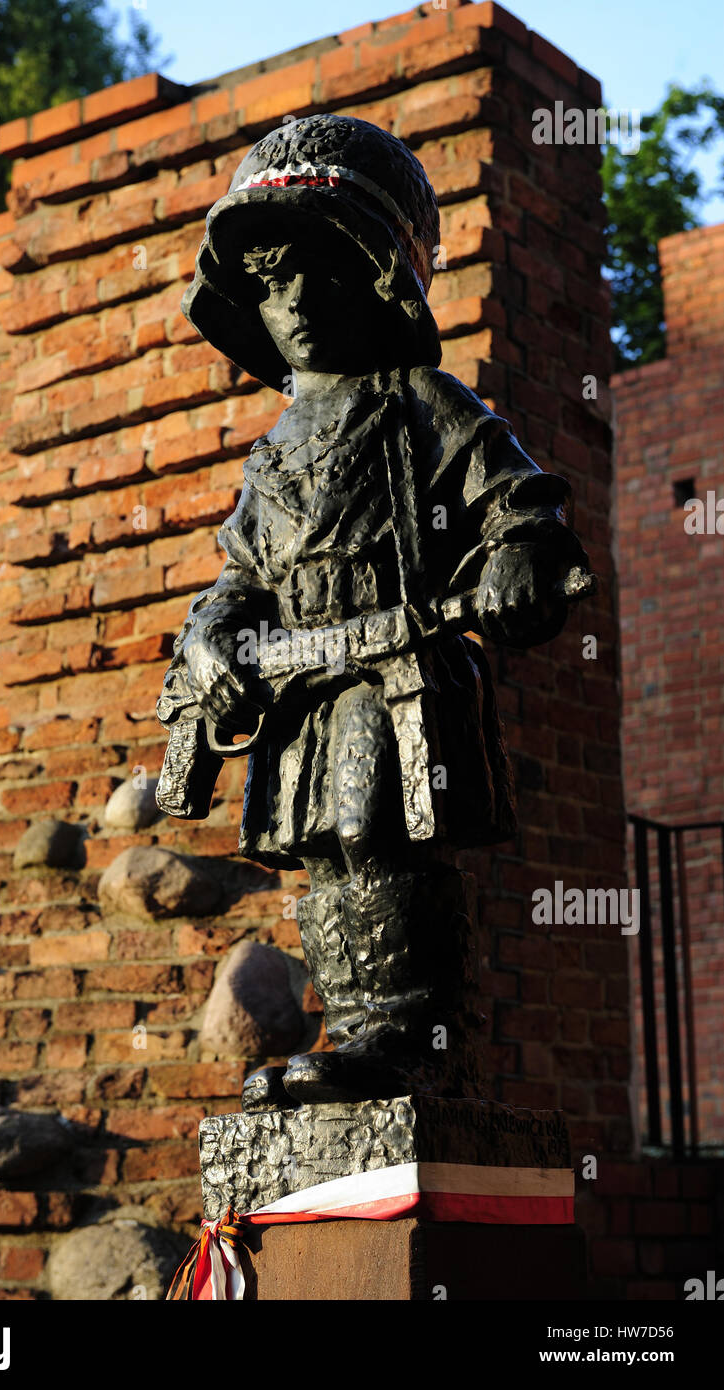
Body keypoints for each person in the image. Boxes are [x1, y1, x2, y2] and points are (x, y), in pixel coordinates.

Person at [156, 114, 592, 1110]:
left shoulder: (421, 403)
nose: (295, 299)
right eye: (269, 281)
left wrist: (520, 561)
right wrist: (214, 635)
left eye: (320, 270)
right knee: (324, 844)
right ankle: (350, 1021)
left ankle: (401, 1028)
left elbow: (519, 509)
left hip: (394, 677)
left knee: (373, 826)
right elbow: (239, 576)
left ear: (380, 275)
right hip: (300, 684)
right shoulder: (270, 455)